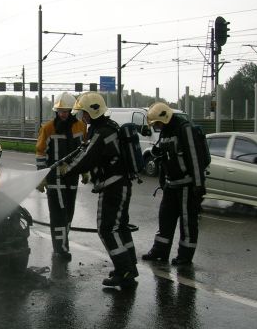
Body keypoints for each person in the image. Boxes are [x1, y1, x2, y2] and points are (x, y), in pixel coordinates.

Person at [58, 92, 138, 289]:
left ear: (92, 112)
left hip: (114, 186)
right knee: (120, 227)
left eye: (83, 113)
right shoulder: (106, 128)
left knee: (107, 229)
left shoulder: (102, 132)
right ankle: (128, 268)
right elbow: (87, 151)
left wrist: (67, 171)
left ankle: (124, 270)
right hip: (120, 184)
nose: (81, 117)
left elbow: (87, 158)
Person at [141, 102, 206, 266]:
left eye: (157, 123)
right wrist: (163, 181)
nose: (156, 126)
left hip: (187, 185)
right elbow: (164, 159)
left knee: (187, 223)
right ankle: (160, 251)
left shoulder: (185, 129)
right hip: (171, 185)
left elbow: (195, 159)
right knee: (165, 219)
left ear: (164, 118)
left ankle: (185, 256)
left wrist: (198, 185)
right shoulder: (165, 132)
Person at [35, 92, 88, 260]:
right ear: (56, 111)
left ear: (71, 110)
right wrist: (41, 175)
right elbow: (41, 152)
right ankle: (60, 249)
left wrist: (85, 170)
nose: (63, 114)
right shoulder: (48, 128)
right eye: (60, 111)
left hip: (72, 176)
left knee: (69, 212)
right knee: (58, 212)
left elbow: (84, 149)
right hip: (54, 177)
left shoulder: (80, 127)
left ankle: (63, 243)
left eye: (66, 111)